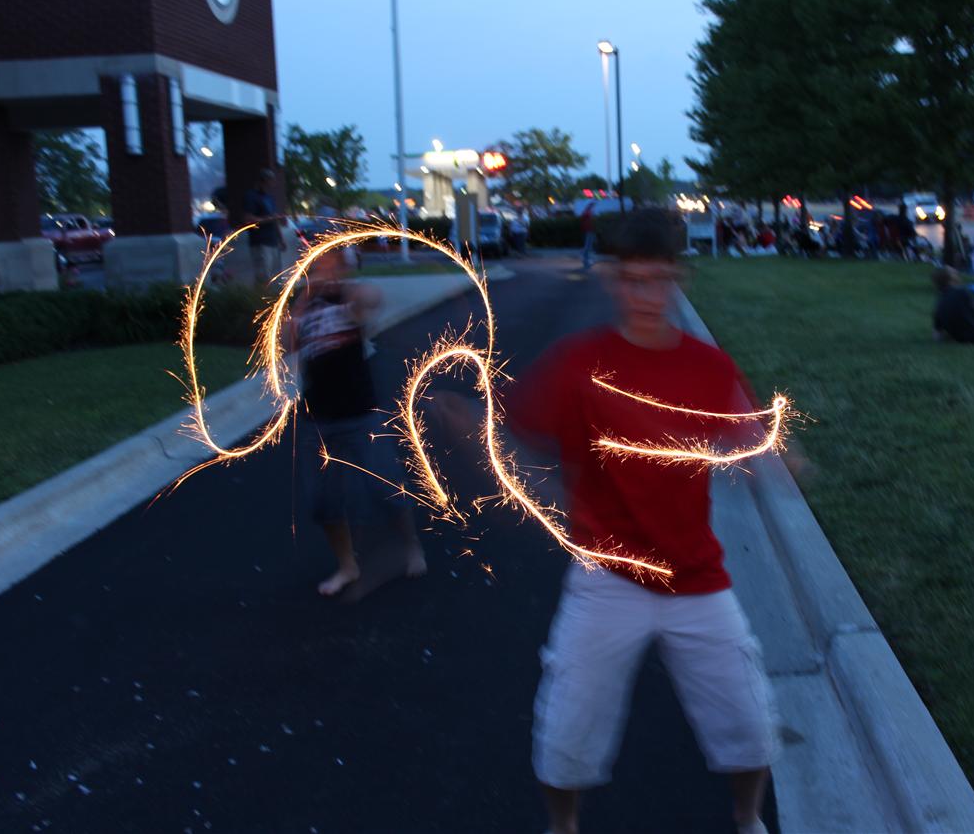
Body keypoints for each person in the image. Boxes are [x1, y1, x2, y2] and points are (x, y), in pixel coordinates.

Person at [442, 209, 779, 834]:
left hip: (695, 577)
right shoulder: (577, 362)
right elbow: (513, 434)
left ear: (679, 278)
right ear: (610, 280)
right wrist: (472, 428)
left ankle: (747, 819)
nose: (646, 296)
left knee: (748, 721)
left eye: (659, 280)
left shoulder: (709, 367)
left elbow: (748, 435)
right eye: (632, 280)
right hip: (607, 579)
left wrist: (774, 453)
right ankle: (563, 825)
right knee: (567, 726)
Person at [290, 249, 426, 596]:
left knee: (387, 488)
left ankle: (411, 546)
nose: (323, 270)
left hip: (359, 414)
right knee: (324, 502)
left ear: (343, 268)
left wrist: (343, 285)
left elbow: (373, 298)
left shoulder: (351, 298)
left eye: (331, 264)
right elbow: (286, 344)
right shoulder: (303, 305)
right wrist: (303, 301)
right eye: (319, 265)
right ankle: (347, 566)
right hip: (318, 419)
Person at [241, 168, 286, 285]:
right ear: (264, 181)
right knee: (263, 275)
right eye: (270, 181)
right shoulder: (251, 196)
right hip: (260, 242)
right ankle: (261, 294)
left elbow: (274, 220)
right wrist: (269, 219)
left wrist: (281, 239)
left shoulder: (269, 198)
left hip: (273, 241)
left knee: (274, 275)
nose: (272, 184)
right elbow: (248, 219)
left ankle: (271, 295)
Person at [579, 202, 597, 271]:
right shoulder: (587, 213)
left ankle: (586, 257)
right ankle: (585, 257)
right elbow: (589, 221)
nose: (593, 207)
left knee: (589, 244)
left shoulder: (587, 212)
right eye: (592, 206)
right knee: (588, 244)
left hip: (589, 229)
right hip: (589, 230)